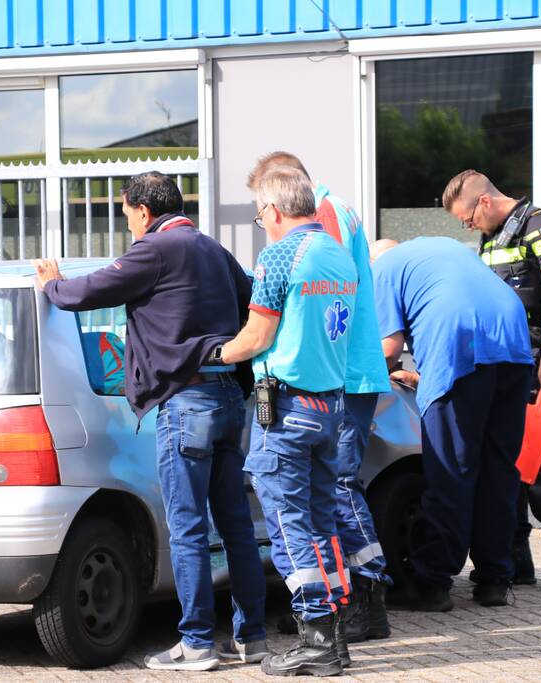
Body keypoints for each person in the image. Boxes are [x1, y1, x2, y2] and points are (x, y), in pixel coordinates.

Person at [32, 171, 268, 671]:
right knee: (236, 527)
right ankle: (252, 637)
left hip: (185, 404)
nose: (129, 226)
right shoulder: (214, 249)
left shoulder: (155, 249)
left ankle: (198, 643)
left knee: (186, 528)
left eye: (126, 215)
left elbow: (89, 291)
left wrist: (52, 284)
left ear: (142, 211)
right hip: (228, 397)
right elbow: (254, 302)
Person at [247, 152, 392, 644]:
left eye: (260, 211)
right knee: (328, 499)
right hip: (342, 377)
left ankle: (354, 608)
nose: (263, 223)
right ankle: (342, 610)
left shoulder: (311, 229)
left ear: (277, 201)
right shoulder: (339, 218)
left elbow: (282, 319)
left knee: (324, 502)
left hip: (322, 380)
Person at [220, 165, 357, 677]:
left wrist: (210, 354)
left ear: (273, 210)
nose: (263, 224)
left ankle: (315, 640)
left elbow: (255, 337)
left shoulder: (280, 256)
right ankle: (336, 637)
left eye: (260, 216)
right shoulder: (338, 255)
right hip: (329, 409)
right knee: (323, 523)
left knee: (287, 525)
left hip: (287, 409)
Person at [371, 237, 533, 610]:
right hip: (513, 338)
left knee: (450, 468)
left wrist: (360, 387)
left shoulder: (382, 268)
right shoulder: (440, 248)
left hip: (460, 338)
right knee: (498, 469)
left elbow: (389, 349)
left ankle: (431, 583)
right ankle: (495, 580)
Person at [442, 169, 541, 592]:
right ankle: (514, 555)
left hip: (536, 357)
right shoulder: (491, 238)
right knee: (503, 456)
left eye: (467, 218)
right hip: (499, 359)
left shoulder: (539, 225)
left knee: (531, 456)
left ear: (483, 202)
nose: (467, 227)